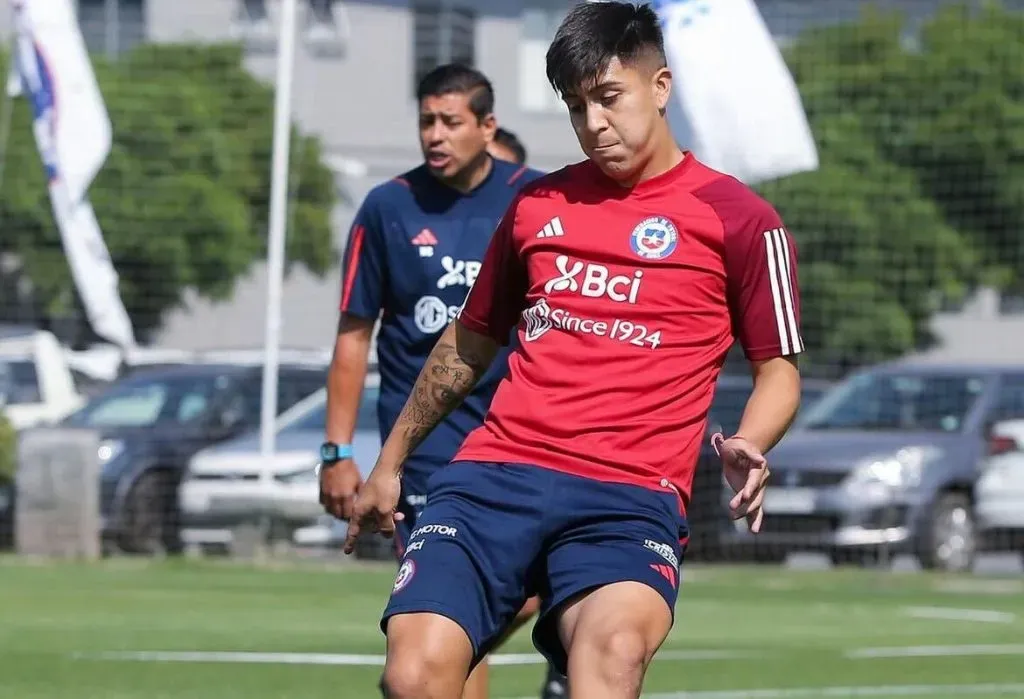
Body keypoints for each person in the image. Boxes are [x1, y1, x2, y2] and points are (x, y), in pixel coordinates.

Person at [344, 2, 805, 698]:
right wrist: (390, 460)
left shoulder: (741, 219)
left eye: (609, 98)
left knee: (612, 656)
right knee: (413, 674)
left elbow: (779, 370)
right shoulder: (536, 206)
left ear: (660, 86)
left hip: (627, 497)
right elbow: (469, 341)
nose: (594, 123)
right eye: (575, 105)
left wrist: (750, 438)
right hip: (495, 476)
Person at [317, 63, 566, 699]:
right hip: (427, 458)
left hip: (524, 445)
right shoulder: (387, 207)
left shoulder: (537, 199)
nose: (435, 134)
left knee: (532, 597)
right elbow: (353, 337)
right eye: (427, 120)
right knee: (450, 603)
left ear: (487, 127)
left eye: (450, 122)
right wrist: (338, 452)